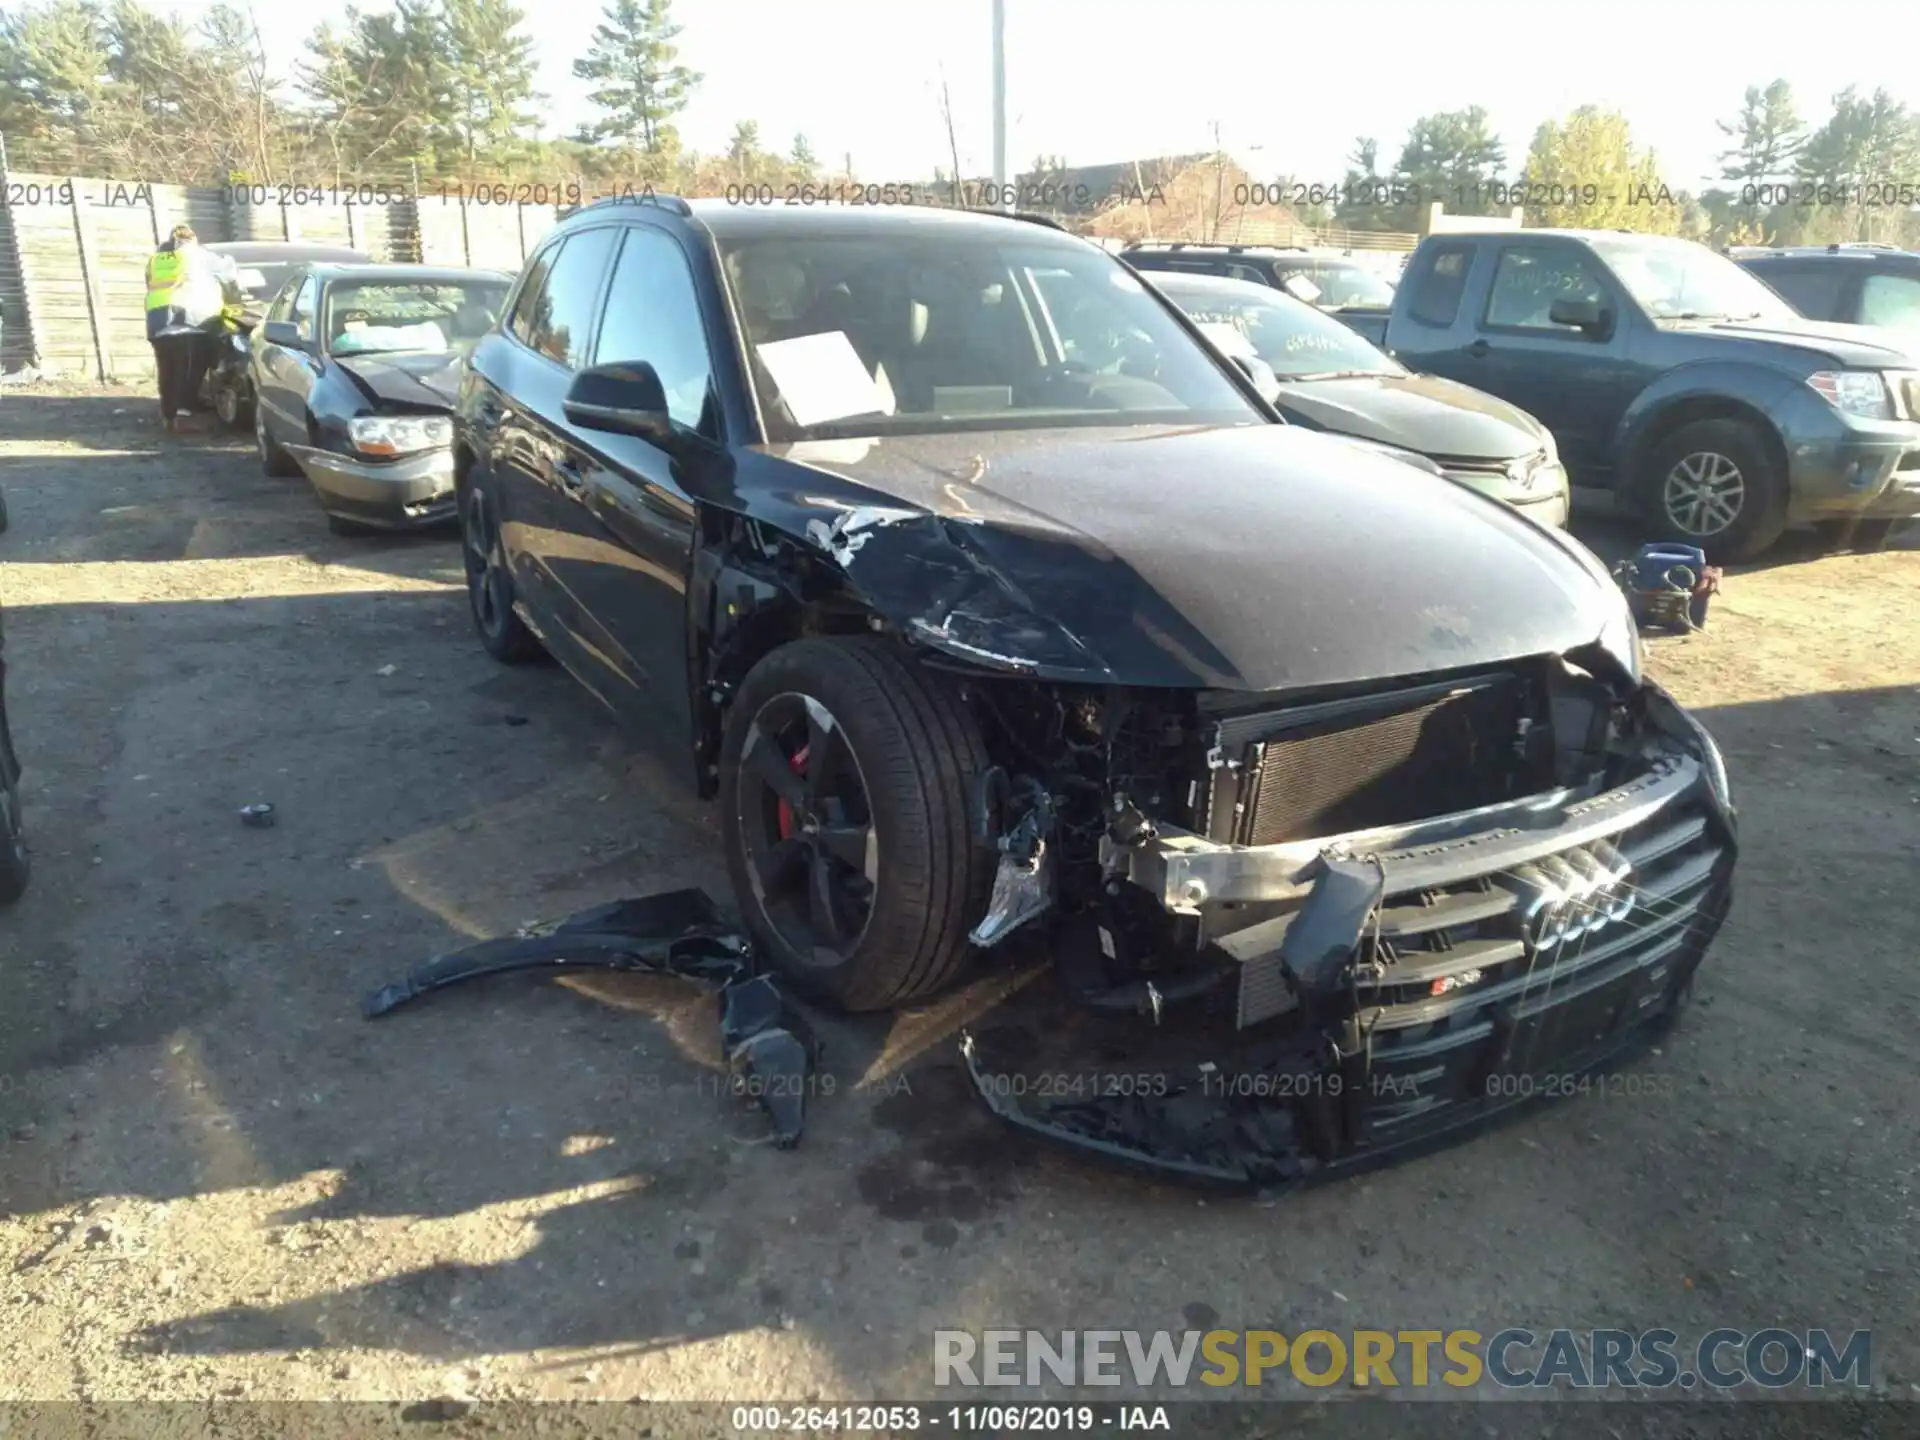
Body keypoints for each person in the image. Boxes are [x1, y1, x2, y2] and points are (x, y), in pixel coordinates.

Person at [144, 225, 241, 433]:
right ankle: (184, 415)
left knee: (168, 369)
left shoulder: (158, 259)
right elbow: (232, 282)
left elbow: (150, 285)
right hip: (194, 321)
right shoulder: (206, 257)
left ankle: (168, 415)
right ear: (195, 239)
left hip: (159, 322)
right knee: (190, 370)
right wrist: (237, 304)